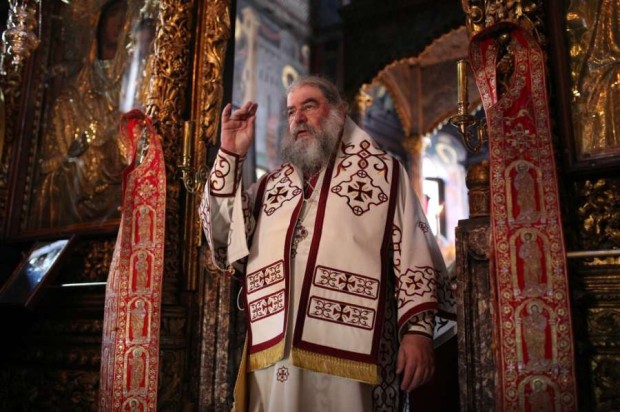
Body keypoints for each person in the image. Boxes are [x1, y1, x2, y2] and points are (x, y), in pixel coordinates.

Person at [199, 75, 454, 411]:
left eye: (309, 106)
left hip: (355, 351)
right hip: (275, 351)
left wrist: (417, 332)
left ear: (339, 111)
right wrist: (230, 154)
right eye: (291, 111)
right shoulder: (270, 187)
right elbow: (224, 239)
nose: (298, 118)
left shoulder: (383, 175)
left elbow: (413, 253)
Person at [31, 0, 133, 228]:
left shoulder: (138, 89)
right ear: (98, 22)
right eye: (114, 14)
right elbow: (47, 185)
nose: (121, 23)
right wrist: (72, 161)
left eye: (126, 16)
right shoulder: (69, 101)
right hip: (69, 228)